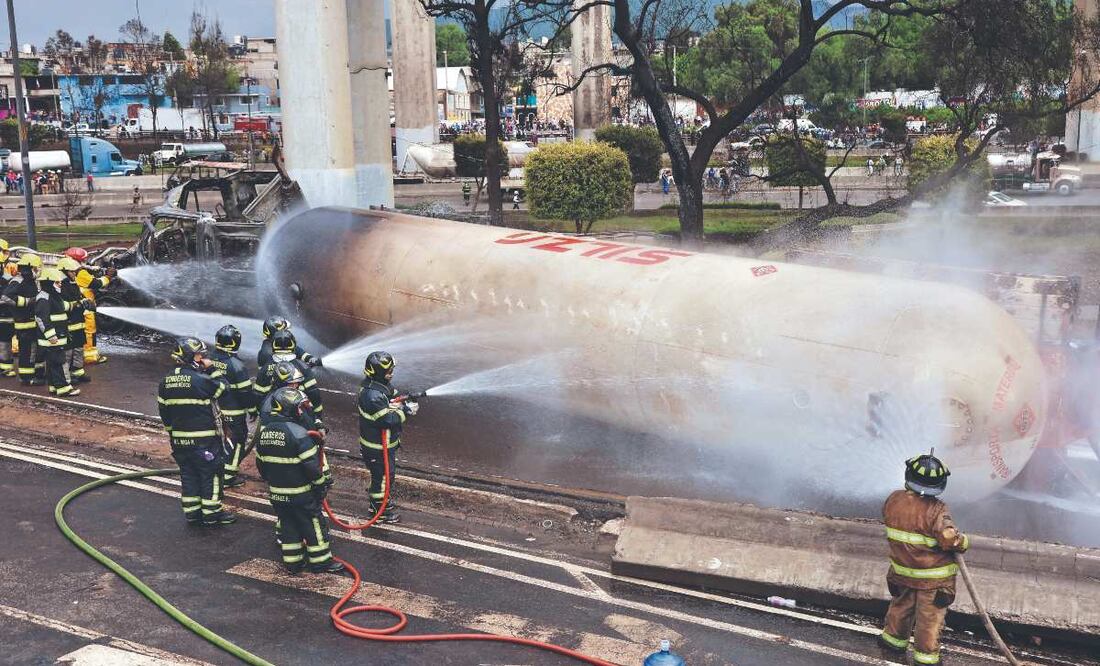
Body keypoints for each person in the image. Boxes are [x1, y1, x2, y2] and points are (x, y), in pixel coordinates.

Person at [880, 450, 969, 665]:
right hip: (933, 581)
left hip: (901, 573)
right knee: (929, 620)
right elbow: (949, 539)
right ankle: (926, 658)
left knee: (900, 609)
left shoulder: (893, 500)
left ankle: (893, 642)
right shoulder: (936, 510)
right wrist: (964, 541)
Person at [255, 386, 343, 574]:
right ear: (289, 409)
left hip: (277, 493)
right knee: (313, 525)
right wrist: (321, 485)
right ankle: (321, 562)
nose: (301, 411)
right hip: (301, 494)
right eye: (299, 408)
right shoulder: (299, 434)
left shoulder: (264, 433)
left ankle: (293, 563)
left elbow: (261, 466)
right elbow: (312, 467)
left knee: (288, 526)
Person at [157, 337, 236, 526]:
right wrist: (212, 369)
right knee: (211, 473)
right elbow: (225, 389)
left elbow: (164, 413)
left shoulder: (165, 382)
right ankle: (211, 513)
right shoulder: (200, 380)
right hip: (204, 441)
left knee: (189, 474)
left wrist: (173, 434)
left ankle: (192, 512)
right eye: (200, 355)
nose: (202, 358)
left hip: (179, 441)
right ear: (191, 356)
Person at [357, 351, 418, 524]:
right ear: (378, 372)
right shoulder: (372, 395)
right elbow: (387, 420)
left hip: (384, 446)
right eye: (389, 371)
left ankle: (377, 505)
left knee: (385, 477)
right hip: (377, 448)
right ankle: (380, 512)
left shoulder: (380, 386)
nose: (391, 373)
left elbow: (393, 395)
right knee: (383, 478)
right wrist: (406, 411)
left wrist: (405, 399)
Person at [209, 325, 254, 488]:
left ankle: (215, 470)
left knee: (216, 442)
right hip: (233, 414)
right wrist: (253, 409)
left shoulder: (209, 359)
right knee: (237, 443)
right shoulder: (236, 365)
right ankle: (228, 477)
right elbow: (245, 392)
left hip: (212, 412)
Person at [255, 330, 325, 428]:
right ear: (293, 345)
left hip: (272, 414)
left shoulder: (266, 367)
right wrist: (318, 417)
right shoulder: (302, 367)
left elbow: (258, 395)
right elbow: (314, 393)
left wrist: (260, 412)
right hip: (298, 416)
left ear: (273, 345)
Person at [34, 267, 79, 396]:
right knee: (58, 362)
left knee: (53, 362)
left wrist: (80, 304)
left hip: (57, 337)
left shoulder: (54, 296)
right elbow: (41, 318)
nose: (60, 284)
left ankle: (54, 386)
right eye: (57, 282)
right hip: (52, 338)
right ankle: (63, 388)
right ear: (49, 282)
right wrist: (51, 335)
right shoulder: (44, 297)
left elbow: (65, 306)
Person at [65, 248, 115, 365]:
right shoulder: (80, 272)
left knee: (76, 333)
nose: (85, 261)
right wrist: (108, 276)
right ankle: (90, 356)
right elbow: (96, 284)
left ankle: (75, 357)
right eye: (83, 260)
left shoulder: (67, 271)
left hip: (76, 307)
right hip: (86, 308)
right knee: (89, 332)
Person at [2, 253, 44, 385]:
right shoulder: (18, 280)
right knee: (27, 351)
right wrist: (27, 302)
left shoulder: (31, 280)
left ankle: (37, 374)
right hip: (24, 324)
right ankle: (26, 378)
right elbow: (6, 298)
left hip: (33, 322)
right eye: (36, 268)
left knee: (35, 350)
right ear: (30, 267)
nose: (38, 270)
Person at [56, 257, 92, 384]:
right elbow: (62, 305)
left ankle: (78, 372)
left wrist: (85, 301)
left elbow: (79, 297)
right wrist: (78, 304)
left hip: (79, 323)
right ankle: (68, 376)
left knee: (78, 349)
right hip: (69, 324)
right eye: (72, 271)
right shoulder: (60, 286)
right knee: (68, 352)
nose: (74, 273)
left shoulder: (73, 284)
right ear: (65, 271)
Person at [0, 239, 15, 377]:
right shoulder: (4, 274)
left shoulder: (6, 272)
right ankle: (5, 367)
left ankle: (5, 366)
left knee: (4, 340)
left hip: (6, 313)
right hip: (4, 312)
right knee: (4, 340)